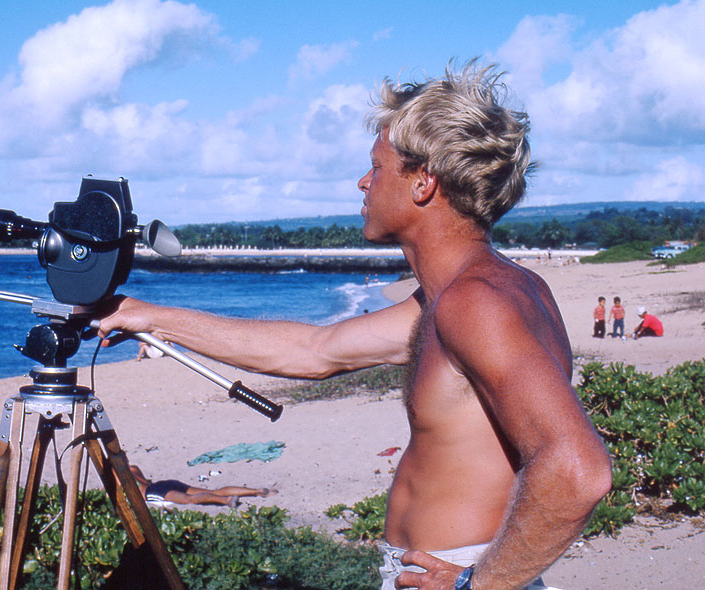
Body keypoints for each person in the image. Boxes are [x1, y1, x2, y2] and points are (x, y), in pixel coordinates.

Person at [99, 61, 611, 590]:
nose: (363, 182)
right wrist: (149, 315)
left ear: (423, 183)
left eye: (378, 167)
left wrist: (477, 584)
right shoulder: (453, 298)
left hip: (464, 571)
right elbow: (316, 350)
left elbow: (579, 468)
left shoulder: (478, 303)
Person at [127, 464, 276, 507]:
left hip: (153, 491)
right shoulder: (133, 468)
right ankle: (257, 491)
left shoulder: (117, 478)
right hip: (165, 483)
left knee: (189, 499)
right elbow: (143, 480)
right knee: (214, 491)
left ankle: (227, 501)